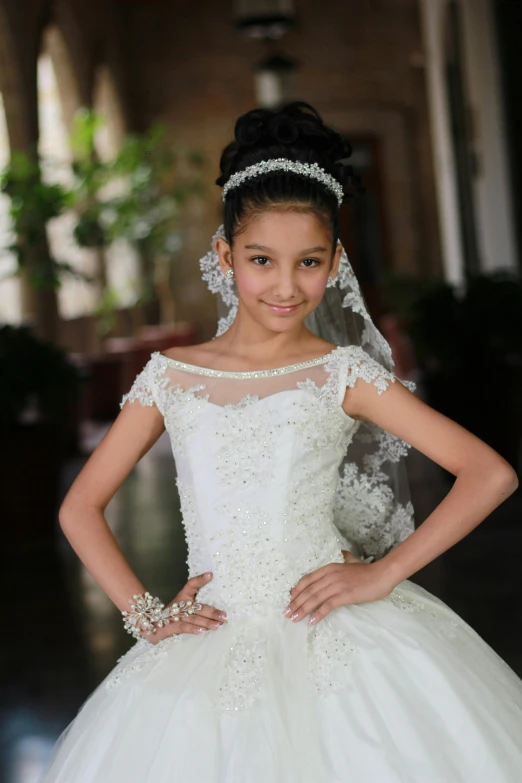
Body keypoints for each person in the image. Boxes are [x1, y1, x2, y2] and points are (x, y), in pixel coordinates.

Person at [38, 102, 522, 783]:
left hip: (337, 632)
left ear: (334, 262)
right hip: (209, 636)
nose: (287, 286)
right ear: (225, 254)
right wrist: (144, 614)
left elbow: (488, 471)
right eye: (262, 259)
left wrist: (383, 572)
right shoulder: (172, 377)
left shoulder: (341, 371)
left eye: (309, 262)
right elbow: (78, 506)